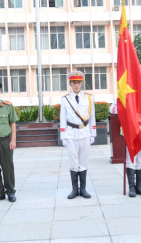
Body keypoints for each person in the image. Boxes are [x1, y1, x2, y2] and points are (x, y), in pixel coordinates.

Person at [110, 87, 141, 197]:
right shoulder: (125, 89)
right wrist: (123, 109)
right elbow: (112, 108)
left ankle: (139, 186)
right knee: (131, 158)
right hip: (131, 130)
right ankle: (131, 187)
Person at [60, 71, 96, 199]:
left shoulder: (89, 98)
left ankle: (84, 189)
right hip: (71, 133)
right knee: (73, 162)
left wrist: (93, 133)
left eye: (78, 82)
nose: (76, 85)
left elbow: (92, 117)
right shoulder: (65, 100)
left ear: (81, 83)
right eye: (74, 83)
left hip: (85, 133)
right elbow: (63, 118)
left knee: (84, 161)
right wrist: (63, 136)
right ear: (70, 84)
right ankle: (74, 189)